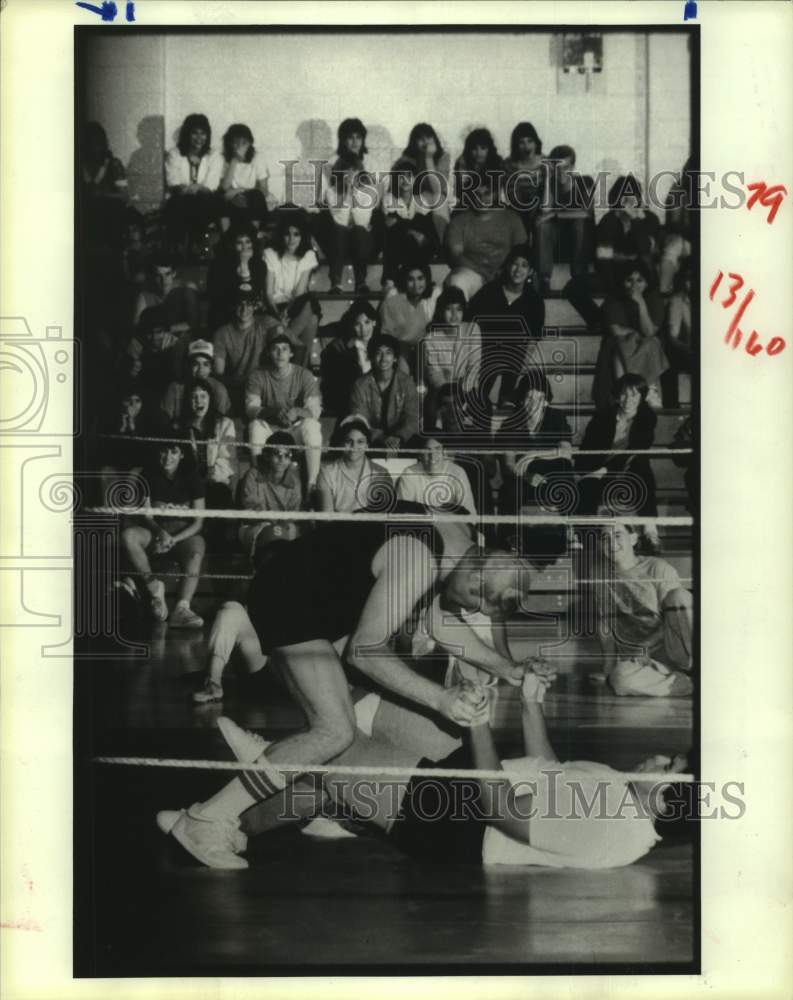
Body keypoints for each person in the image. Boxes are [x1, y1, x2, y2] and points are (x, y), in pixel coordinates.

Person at [155, 502, 536, 869]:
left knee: (350, 713)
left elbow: (439, 620)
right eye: (474, 604)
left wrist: (507, 667)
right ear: (475, 579)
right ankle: (207, 819)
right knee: (334, 730)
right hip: (292, 598)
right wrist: (441, 699)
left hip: (316, 596)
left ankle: (273, 763)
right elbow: (366, 652)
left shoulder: (456, 540)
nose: (468, 612)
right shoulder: (419, 560)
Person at [160, 663, 686, 869]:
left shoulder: (612, 826)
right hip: (476, 778)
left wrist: (480, 724)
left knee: (333, 759)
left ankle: (223, 812)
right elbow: (549, 768)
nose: (660, 758)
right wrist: (529, 704)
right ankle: (260, 800)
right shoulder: (620, 790)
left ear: (664, 801)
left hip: (457, 823)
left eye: (669, 766)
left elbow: (500, 811)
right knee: (361, 709)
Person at [591, 521, 693, 697]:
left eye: (617, 536)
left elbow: (673, 616)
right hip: (640, 659)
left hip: (673, 648)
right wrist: (608, 670)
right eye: (605, 538)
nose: (611, 543)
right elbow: (605, 625)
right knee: (620, 681)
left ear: (633, 539)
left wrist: (646, 646)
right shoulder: (599, 575)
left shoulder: (657, 568)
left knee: (679, 596)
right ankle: (686, 684)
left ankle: (703, 670)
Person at [120, 442, 206, 628]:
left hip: (184, 534)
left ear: (182, 454)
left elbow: (198, 522)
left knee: (197, 549)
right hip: (157, 531)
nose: (168, 457)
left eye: (173, 451)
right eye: (164, 451)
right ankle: (154, 590)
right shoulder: (148, 475)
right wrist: (160, 533)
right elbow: (147, 515)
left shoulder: (193, 477)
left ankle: (182, 608)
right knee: (128, 536)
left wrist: (173, 539)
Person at [494, 373, 573, 563]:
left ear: (545, 400)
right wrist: (528, 475)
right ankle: (511, 539)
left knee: (566, 478)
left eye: (539, 398)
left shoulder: (556, 416)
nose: (533, 402)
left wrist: (532, 454)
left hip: (552, 473)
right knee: (510, 491)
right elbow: (509, 463)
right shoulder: (510, 424)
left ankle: (571, 531)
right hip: (524, 476)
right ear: (521, 399)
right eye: (529, 397)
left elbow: (566, 452)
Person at [467, 244, 545, 411]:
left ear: (530, 272)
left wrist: (523, 363)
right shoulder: (489, 291)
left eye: (524, 266)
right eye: (515, 264)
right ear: (508, 266)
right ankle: (479, 399)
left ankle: (507, 396)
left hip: (514, 355)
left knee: (514, 353)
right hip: (484, 352)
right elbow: (469, 322)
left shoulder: (534, 300)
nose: (518, 270)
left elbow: (532, 340)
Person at [245, 333, 323, 490]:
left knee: (312, 426)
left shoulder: (304, 375)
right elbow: (250, 409)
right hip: (271, 430)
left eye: (285, 349)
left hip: (295, 429)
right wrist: (272, 411)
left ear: (291, 353)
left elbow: (315, 410)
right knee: (255, 426)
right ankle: (257, 478)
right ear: (268, 352)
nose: (280, 354)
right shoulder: (257, 375)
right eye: (275, 349)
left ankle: (312, 484)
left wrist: (297, 411)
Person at [576, 373, 659, 516]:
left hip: (628, 470)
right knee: (587, 486)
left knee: (642, 467)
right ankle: (583, 535)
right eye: (623, 394)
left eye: (634, 395)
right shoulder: (602, 416)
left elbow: (637, 449)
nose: (628, 400)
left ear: (642, 397)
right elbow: (586, 448)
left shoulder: (647, 417)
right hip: (601, 471)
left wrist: (604, 470)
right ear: (617, 395)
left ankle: (650, 530)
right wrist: (587, 472)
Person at [592, 260, 668, 410]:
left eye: (640, 280)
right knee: (624, 342)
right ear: (622, 282)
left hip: (645, 347)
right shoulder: (614, 299)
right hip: (618, 348)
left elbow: (649, 332)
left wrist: (641, 304)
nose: (634, 286)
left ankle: (650, 389)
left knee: (653, 342)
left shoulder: (654, 298)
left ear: (647, 283)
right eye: (629, 280)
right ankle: (624, 391)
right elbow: (616, 331)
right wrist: (635, 334)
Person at [445, 181, 527, 300]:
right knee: (456, 281)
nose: (482, 198)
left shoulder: (511, 218)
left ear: (495, 194)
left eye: (487, 193)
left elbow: (521, 252)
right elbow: (456, 255)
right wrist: (483, 272)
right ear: (470, 195)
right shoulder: (459, 221)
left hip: (505, 273)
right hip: (473, 272)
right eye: (477, 193)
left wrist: (504, 271)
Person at [533, 144, 595, 297]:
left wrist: (556, 215)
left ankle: (578, 278)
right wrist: (547, 179)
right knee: (543, 227)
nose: (562, 172)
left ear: (573, 167)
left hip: (579, 239)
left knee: (579, 224)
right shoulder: (548, 184)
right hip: (557, 240)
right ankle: (545, 279)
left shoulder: (585, 182)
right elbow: (545, 211)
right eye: (557, 167)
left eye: (566, 167)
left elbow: (587, 214)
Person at [420, 287, 481, 433]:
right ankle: (435, 443)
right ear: (441, 311)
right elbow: (434, 375)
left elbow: (475, 365)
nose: (454, 315)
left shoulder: (472, 329)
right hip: (441, 391)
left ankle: (480, 449)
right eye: (449, 309)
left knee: (482, 405)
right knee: (432, 404)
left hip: (468, 388)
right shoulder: (430, 338)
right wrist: (450, 393)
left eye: (458, 309)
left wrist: (462, 390)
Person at [262, 211, 320, 365]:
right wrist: (278, 315)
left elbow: (299, 293)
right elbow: (268, 292)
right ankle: (300, 361)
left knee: (309, 305)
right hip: (273, 306)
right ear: (281, 235)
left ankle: (286, 347)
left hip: (296, 305)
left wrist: (287, 315)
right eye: (287, 234)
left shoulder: (308, 255)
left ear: (302, 236)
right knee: (312, 320)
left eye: (296, 234)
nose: (292, 239)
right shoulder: (270, 253)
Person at [163, 113, 223, 259]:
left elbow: (212, 184)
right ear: (187, 134)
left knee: (204, 202)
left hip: (206, 200)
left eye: (203, 134)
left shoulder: (214, 155)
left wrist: (194, 188)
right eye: (194, 133)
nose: (199, 138)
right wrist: (191, 189)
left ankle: (194, 245)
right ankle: (185, 248)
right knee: (181, 203)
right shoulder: (175, 154)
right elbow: (173, 182)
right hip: (181, 199)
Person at [348, 334, 419, 452]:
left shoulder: (407, 383)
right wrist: (381, 437)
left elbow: (413, 418)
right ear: (371, 357)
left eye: (388, 353)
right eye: (378, 353)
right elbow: (359, 419)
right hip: (371, 439)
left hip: (401, 439)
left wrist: (399, 436)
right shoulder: (360, 385)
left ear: (395, 357)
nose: (383, 358)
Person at [175, 378, 237, 512]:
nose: (199, 401)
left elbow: (227, 459)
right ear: (187, 400)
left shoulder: (225, 424)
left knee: (220, 495)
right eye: (194, 397)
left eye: (203, 396)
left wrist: (210, 476)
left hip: (214, 482)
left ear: (210, 398)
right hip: (187, 483)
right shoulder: (178, 426)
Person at [212, 288, 274, 411]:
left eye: (249, 304)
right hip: (234, 387)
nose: (244, 309)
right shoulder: (222, 333)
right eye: (240, 304)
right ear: (233, 306)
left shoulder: (265, 325)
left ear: (255, 306)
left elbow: (294, 345)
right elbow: (219, 373)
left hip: (260, 387)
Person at [316, 416, 392, 513]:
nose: (354, 447)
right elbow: (327, 518)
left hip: (371, 526)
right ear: (342, 443)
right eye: (349, 441)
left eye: (360, 442)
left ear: (367, 446)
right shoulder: (326, 473)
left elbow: (384, 514)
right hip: (337, 526)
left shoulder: (381, 474)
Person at [380, 165, 438, 291]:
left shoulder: (421, 199)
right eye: (401, 177)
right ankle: (390, 279)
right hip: (398, 245)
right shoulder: (389, 198)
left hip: (418, 246)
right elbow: (391, 225)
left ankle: (416, 279)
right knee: (396, 230)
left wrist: (405, 225)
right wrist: (413, 230)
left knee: (419, 220)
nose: (405, 180)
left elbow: (427, 228)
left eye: (409, 176)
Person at [395, 123, 452, 244]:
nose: (426, 142)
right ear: (414, 143)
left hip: (436, 203)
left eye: (429, 137)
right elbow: (399, 187)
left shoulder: (443, 157)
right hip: (414, 202)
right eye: (420, 139)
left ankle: (441, 245)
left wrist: (429, 158)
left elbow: (437, 188)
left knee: (439, 198)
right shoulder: (406, 159)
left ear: (434, 139)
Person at [396, 437, 477, 520]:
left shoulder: (457, 472)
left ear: (444, 453)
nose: (432, 456)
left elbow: (470, 515)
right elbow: (402, 515)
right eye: (427, 450)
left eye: (437, 449)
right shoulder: (409, 473)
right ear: (420, 455)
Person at [379, 263, 441, 370]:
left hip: (427, 347)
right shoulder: (394, 298)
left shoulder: (435, 295)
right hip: (401, 348)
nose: (416, 284)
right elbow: (387, 332)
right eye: (411, 279)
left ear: (427, 279)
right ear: (404, 281)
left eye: (420, 278)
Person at [205, 224, 268, 328]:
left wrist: (244, 265)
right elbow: (214, 295)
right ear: (232, 245)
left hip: (250, 312)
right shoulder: (218, 264)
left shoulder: (260, 265)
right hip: (225, 312)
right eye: (239, 242)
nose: (244, 247)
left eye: (248, 241)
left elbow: (254, 294)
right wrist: (243, 264)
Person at [80, 121, 128, 247]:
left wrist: (101, 194)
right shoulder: (80, 165)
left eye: (98, 141)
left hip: (108, 211)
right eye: (91, 141)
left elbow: (124, 196)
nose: (96, 146)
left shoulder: (113, 163)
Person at [126, 305, 191, 398]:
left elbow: (178, 379)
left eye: (159, 332)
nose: (154, 338)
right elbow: (131, 379)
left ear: (166, 331)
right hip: (143, 391)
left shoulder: (175, 344)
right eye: (149, 332)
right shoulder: (136, 343)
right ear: (143, 332)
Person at [161, 339, 231, 422]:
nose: (201, 370)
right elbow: (165, 422)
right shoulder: (174, 388)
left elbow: (220, 424)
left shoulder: (219, 389)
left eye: (206, 364)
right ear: (188, 366)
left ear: (211, 368)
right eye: (195, 364)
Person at [218, 123, 271, 231]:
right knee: (220, 198)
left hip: (251, 199)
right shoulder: (223, 159)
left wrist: (241, 191)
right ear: (230, 143)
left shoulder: (257, 158)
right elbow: (224, 187)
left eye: (244, 143)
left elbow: (264, 190)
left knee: (256, 196)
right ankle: (226, 238)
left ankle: (253, 235)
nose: (240, 147)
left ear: (250, 144)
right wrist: (234, 161)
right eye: (236, 143)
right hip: (232, 200)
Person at [503, 121, 546, 246]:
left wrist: (537, 206)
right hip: (519, 207)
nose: (526, 146)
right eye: (521, 142)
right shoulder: (509, 164)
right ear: (516, 145)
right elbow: (510, 193)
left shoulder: (545, 162)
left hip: (540, 207)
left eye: (530, 141)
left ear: (536, 142)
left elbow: (549, 190)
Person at [132, 254, 200, 332]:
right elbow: (135, 327)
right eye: (158, 275)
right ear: (153, 276)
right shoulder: (145, 294)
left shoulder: (186, 289)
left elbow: (194, 324)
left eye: (167, 274)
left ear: (174, 273)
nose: (164, 280)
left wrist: (166, 329)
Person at [453, 127, 505, 206]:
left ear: (489, 149)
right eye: (474, 149)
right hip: (468, 204)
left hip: (491, 204)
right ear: (469, 150)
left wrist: (490, 195)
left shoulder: (497, 162)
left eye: (483, 148)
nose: (478, 153)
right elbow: (459, 193)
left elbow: (497, 189)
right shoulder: (462, 163)